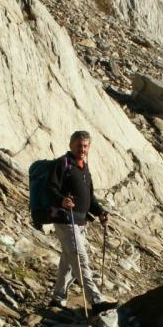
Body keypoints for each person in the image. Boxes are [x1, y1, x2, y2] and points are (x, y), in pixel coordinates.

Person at [47, 130, 113, 314]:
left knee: (69, 261)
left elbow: (90, 198)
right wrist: (61, 200)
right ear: (71, 145)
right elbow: (50, 188)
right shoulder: (63, 163)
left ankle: (58, 298)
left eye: (85, 146)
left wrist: (100, 212)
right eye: (79, 146)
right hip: (65, 219)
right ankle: (96, 300)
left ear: (88, 147)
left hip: (81, 222)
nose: (82, 149)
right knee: (79, 258)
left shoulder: (84, 168)